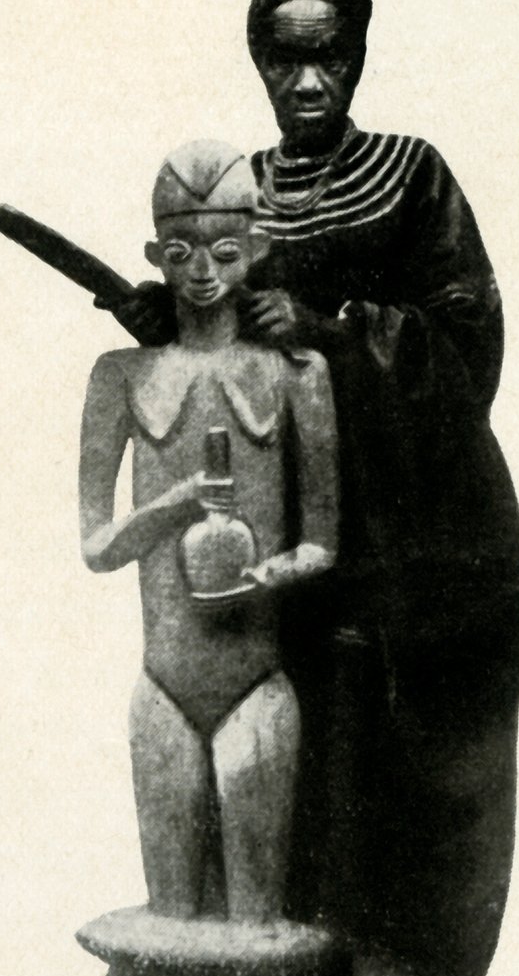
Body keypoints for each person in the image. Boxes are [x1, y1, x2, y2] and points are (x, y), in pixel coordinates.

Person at [99, 0, 519, 976]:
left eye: (326, 56)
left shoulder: (410, 176)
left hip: (422, 540)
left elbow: (471, 345)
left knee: (409, 778)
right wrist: (172, 320)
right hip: (287, 541)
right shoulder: (239, 193)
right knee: (282, 778)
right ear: (258, 64)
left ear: (356, 59)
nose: (305, 81)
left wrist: (335, 333)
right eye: (282, 58)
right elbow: (223, 337)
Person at [79, 138, 337, 923]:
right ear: (156, 257)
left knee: (256, 923)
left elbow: (322, 542)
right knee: (170, 919)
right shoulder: (121, 376)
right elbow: (97, 547)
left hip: (257, 683)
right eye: (181, 253)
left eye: (224, 252)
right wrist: (175, 505)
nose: (200, 271)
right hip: (162, 684)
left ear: (254, 251)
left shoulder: (294, 374)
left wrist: (266, 576)